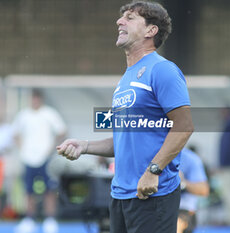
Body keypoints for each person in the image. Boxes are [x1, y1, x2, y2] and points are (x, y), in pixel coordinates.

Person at [57, 1, 193, 233]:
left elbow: (184, 126)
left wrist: (153, 171)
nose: (119, 21)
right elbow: (124, 139)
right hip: (120, 195)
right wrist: (84, 145)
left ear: (151, 31)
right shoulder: (124, 81)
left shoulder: (162, 70)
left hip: (153, 192)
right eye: (122, 17)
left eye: (130, 18)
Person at [13, 89, 67, 233]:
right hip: (28, 159)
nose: (34, 101)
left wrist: (52, 148)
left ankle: (50, 220)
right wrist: (22, 149)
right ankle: (29, 220)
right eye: (32, 99)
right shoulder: (23, 115)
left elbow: (62, 131)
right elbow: (15, 134)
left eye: (36, 98)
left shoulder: (49, 114)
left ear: (41, 99)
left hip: (45, 159)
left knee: (49, 190)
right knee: (28, 190)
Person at [177, 147, 209, 233]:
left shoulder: (190, 158)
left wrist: (182, 183)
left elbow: (204, 190)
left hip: (183, 209)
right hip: (156, 206)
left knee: (177, 224)